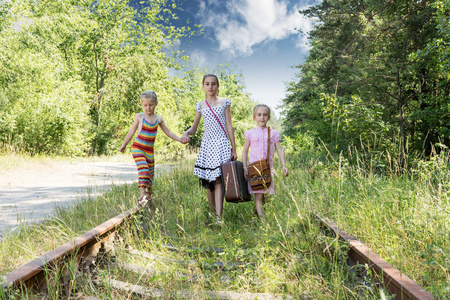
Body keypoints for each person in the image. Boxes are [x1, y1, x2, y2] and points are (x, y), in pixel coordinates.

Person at [180, 74, 237, 225]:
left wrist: (234, 148)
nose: (210, 86)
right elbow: (194, 127)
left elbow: (229, 126)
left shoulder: (225, 103)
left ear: (218, 86)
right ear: (203, 86)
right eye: (207, 84)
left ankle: (219, 216)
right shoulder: (201, 105)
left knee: (218, 179)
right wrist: (186, 133)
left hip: (222, 144)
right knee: (208, 181)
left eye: (213, 84)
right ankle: (213, 215)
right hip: (208, 144)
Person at [119, 91, 186, 206]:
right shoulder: (140, 117)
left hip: (149, 151)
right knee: (144, 171)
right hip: (138, 148)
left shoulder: (158, 119)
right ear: (142, 105)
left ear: (156, 104)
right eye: (145, 105)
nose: (148, 108)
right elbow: (132, 131)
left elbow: (168, 132)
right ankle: (142, 196)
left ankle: (148, 201)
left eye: (151, 105)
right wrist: (124, 144)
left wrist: (179, 139)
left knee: (150, 175)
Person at [242, 104, 288, 221]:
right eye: (259, 115)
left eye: (265, 115)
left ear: (268, 117)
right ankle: (264, 223)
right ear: (254, 117)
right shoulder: (250, 133)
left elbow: (280, 150)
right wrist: (244, 167)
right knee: (258, 196)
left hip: (268, 169)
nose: (262, 118)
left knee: (267, 196)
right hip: (255, 170)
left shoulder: (273, 133)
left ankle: (261, 215)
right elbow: (245, 151)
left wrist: (284, 165)